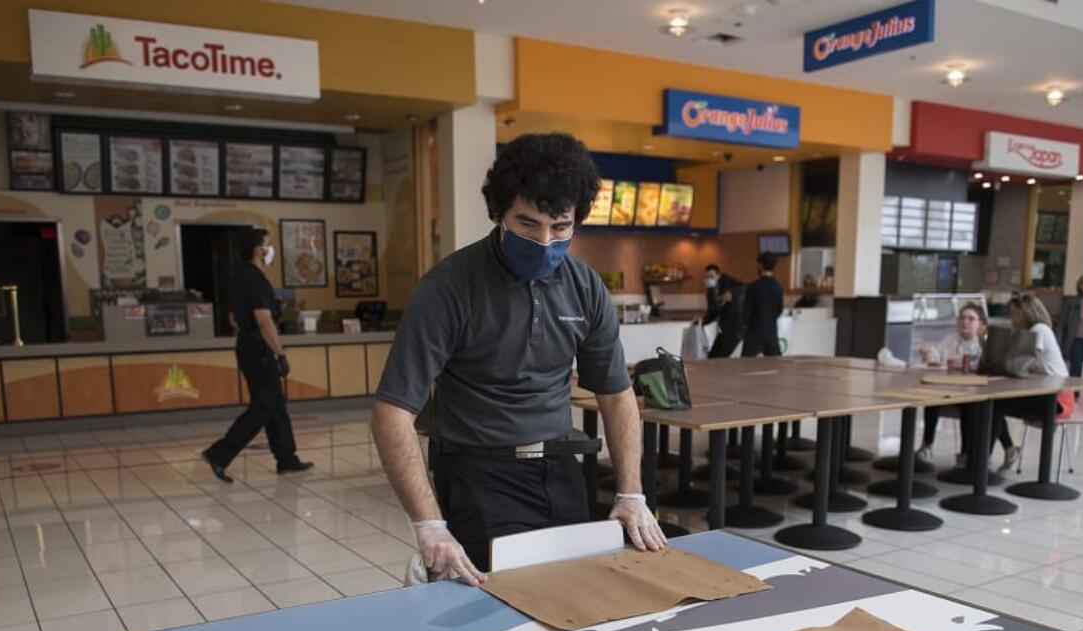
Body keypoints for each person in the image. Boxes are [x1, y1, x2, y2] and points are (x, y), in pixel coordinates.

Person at [372, 133, 666, 586]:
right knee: (502, 603)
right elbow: (392, 413)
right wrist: (429, 524)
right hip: (476, 471)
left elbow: (616, 393)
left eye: (560, 227)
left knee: (573, 592)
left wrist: (631, 492)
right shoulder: (449, 288)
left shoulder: (585, 287)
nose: (545, 241)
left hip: (559, 466)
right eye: (528, 225)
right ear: (499, 214)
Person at [202, 229, 312, 483]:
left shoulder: (239, 277)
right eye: (267, 245)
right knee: (263, 406)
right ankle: (219, 454)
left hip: (246, 346)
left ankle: (286, 458)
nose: (270, 249)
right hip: (260, 350)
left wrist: (249, 335)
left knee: (275, 406)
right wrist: (280, 353)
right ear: (257, 250)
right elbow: (264, 321)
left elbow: (233, 318)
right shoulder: (256, 280)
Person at [916, 302, 1015, 468]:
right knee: (931, 400)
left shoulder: (986, 345)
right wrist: (928, 353)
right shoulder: (950, 340)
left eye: (971, 319)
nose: (965, 322)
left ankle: (966, 454)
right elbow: (936, 356)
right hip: (951, 389)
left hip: (977, 393)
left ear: (981, 324)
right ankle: (927, 446)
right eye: (962, 318)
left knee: (976, 406)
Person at [988, 293, 1074, 472]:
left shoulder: (1038, 330)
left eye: (1016, 314)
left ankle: (982, 461)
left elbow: (1021, 362)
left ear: (1028, 313)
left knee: (994, 405)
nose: (1012, 319)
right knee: (994, 404)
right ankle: (1005, 451)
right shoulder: (1036, 331)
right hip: (1046, 393)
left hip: (1057, 399)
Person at [741, 252, 784, 357]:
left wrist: (744, 324)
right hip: (771, 331)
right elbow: (779, 309)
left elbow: (746, 311)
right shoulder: (778, 287)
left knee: (746, 364)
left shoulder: (753, 287)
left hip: (754, 331)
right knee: (775, 364)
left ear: (760, 265)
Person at [704, 263, 744, 359]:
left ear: (719, 275)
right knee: (713, 357)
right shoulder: (711, 290)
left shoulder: (728, 282)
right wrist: (703, 322)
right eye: (707, 277)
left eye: (712, 276)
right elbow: (713, 310)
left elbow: (744, 286)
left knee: (719, 356)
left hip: (734, 329)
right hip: (724, 329)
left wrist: (732, 293)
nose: (709, 279)